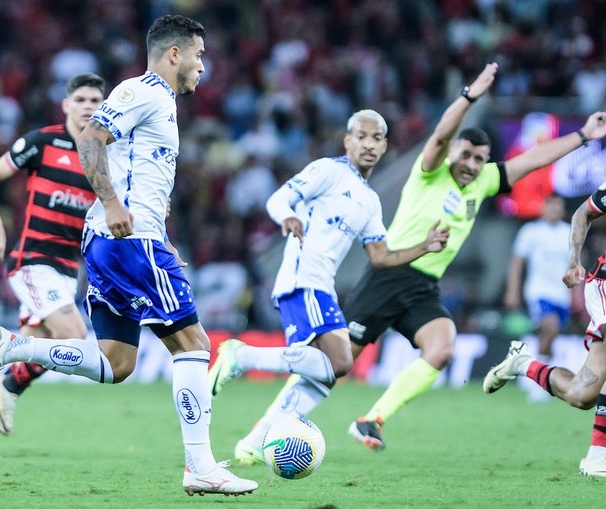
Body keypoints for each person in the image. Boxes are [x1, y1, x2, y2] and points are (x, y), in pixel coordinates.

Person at [0, 15, 258, 496]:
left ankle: (16, 348)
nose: (204, 66)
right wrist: (113, 203)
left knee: (115, 363)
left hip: (124, 241)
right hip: (127, 239)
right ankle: (201, 467)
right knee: (195, 345)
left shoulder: (161, 103)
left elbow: (134, 173)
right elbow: (90, 139)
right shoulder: (140, 91)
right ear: (175, 54)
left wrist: (157, 235)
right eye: (200, 55)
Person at [342, 61, 606, 451]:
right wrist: (468, 97)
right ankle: (248, 368)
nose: (470, 165)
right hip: (390, 273)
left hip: (423, 285)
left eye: (479, 159)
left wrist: (582, 134)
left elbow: (533, 159)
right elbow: (442, 134)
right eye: (464, 155)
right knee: (334, 364)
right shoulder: (430, 169)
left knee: (443, 347)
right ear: (452, 153)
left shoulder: (482, 181)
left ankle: (371, 420)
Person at [207, 109, 449, 465]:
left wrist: (424, 247)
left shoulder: (369, 199)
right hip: (302, 280)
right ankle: (240, 356)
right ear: (348, 140)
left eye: (377, 138)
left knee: (326, 374)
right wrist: (287, 217)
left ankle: (256, 441)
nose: (368, 144)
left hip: (322, 287)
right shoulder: (328, 170)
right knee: (339, 360)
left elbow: (380, 256)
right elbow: (278, 199)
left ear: (384, 146)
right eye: (361, 136)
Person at [0, 73, 105, 459]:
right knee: (73, 337)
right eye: (82, 99)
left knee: (37, 350)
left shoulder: (103, 155)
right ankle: (6, 387)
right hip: (32, 261)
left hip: (67, 269)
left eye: (95, 100)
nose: (89, 106)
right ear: (66, 105)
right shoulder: (42, 142)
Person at [483, 183, 606, 477]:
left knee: (582, 394)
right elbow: (582, 214)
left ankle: (523, 363)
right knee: (549, 328)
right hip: (603, 285)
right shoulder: (531, 232)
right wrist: (574, 260)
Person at [503, 194, 572, 401]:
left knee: (552, 334)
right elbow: (517, 262)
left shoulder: (568, 232)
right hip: (538, 290)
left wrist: (578, 292)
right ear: (543, 208)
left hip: (562, 293)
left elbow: (576, 264)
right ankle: (538, 381)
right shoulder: (531, 231)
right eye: (550, 207)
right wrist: (512, 290)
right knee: (550, 328)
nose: (553, 210)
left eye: (557, 207)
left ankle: (541, 374)